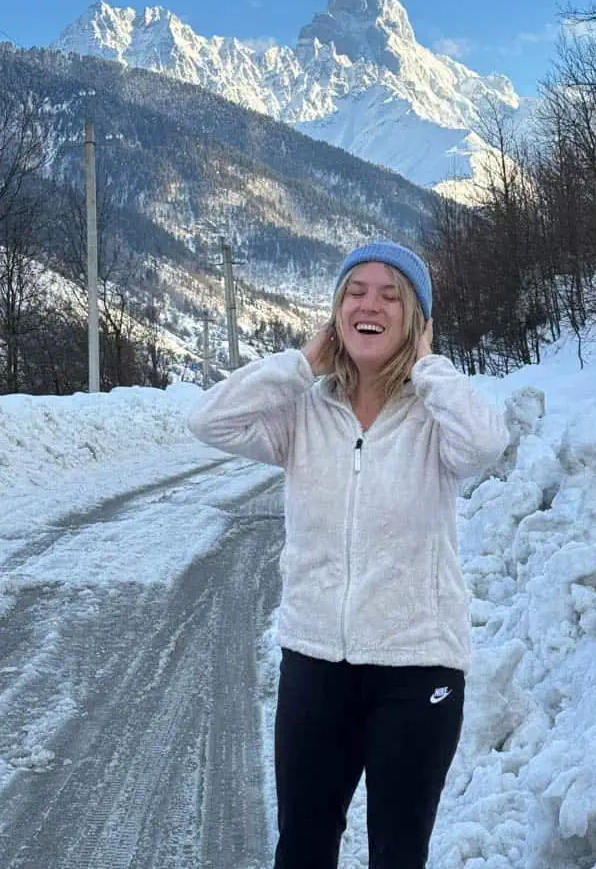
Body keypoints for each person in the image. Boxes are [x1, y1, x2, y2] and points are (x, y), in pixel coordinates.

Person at [187, 240, 509, 869]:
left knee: (397, 852)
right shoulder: (304, 414)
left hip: (417, 668)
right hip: (315, 665)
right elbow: (209, 421)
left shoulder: (434, 418)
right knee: (303, 849)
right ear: (335, 310)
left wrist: (429, 367)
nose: (371, 304)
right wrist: (304, 362)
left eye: (393, 294)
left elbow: (485, 446)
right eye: (355, 291)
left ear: (415, 317)